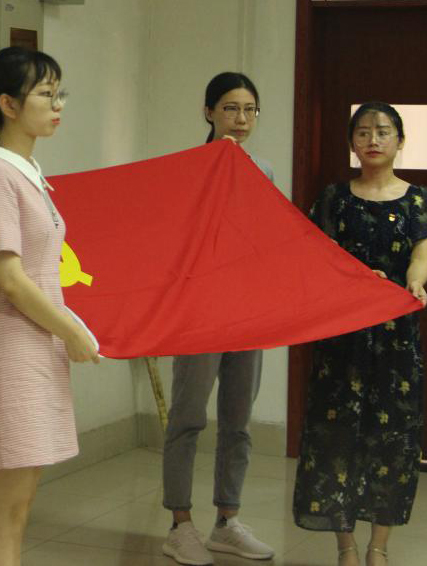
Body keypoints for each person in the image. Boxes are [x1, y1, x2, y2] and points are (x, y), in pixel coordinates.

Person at [0, 47, 99, 566]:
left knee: (19, 510)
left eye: (60, 94)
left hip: (34, 349)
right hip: (9, 351)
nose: (57, 105)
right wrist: (72, 330)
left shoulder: (26, 171)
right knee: (4, 514)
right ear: (9, 105)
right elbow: (10, 280)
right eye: (46, 94)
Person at [293, 102, 427, 566]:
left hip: (397, 339)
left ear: (400, 140)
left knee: (392, 439)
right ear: (352, 143)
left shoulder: (420, 201)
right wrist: (355, 281)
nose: (373, 140)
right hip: (342, 336)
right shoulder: (334, 199)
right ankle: (345, 547)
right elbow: (319, 260)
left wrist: (415, 283)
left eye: (382, 131)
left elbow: (421, 258)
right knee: (336, 438)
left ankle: (379, 547)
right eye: (362, 132)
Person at [161, 72, 276, 565]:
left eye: (249, 109)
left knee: (238, 420)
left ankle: (227, 520)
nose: (241, 119)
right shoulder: (187, 168)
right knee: (188, 417)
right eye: (231, 108)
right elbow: (175, 239)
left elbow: (267, 238)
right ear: (208, 112)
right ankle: (179, 524)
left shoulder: (263, 170)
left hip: (246, 311)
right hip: (198, 313)